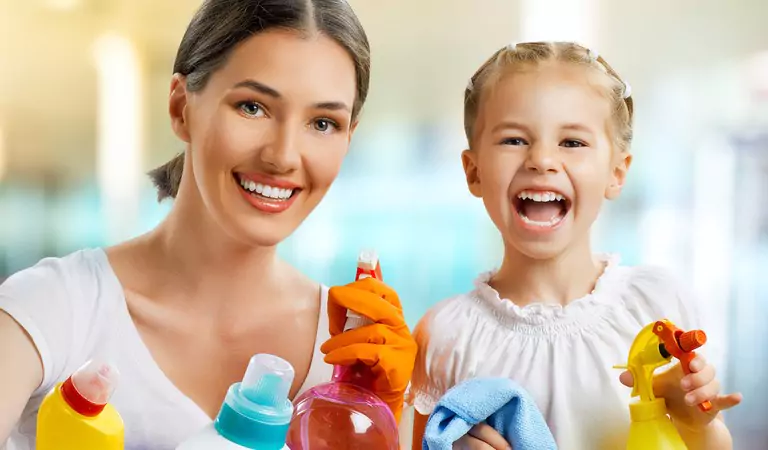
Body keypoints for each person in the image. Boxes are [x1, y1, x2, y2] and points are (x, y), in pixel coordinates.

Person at [0, 1, 416, 448]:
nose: (284, 156)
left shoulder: (352, 364)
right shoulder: (51, 312)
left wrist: (384, 422)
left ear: (349, 137)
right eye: (253, 107)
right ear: (182, 107)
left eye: (322, 122)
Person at [408, 41, 742, 450]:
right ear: (473, 171)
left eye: (572, 143)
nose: (542, 160)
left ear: (616, 173)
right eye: (514, 140)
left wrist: (697, 427)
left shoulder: (658, 308)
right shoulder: (445, 334)